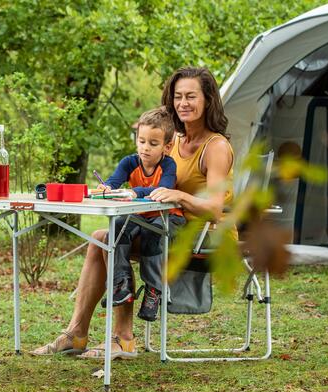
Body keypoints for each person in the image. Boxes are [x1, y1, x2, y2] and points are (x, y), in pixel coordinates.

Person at [31, 66, 234, 360]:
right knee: (100, 238)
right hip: (161, 227)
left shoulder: (216, 147)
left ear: (208, 100)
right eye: (178, 96)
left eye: (191, 96)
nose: (183, 103)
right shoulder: (172, 140)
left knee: (107, 240)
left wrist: (178, 194)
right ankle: (77, 332)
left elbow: (215, 208)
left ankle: (123, 339)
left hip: (204, 235)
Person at [96, 107, 185, 322]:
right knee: (115, 229)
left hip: (168, 216)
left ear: (167, 146)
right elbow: (113, 181)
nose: (145, 148)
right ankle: (122, 284)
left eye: (153, 144)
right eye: (141, 141)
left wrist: (135, 191)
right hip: (141, 214)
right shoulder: (129, 162)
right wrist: (106, 188)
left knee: (151, 235)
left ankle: (154, 291)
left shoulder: (168, 165)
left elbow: (161, 191)